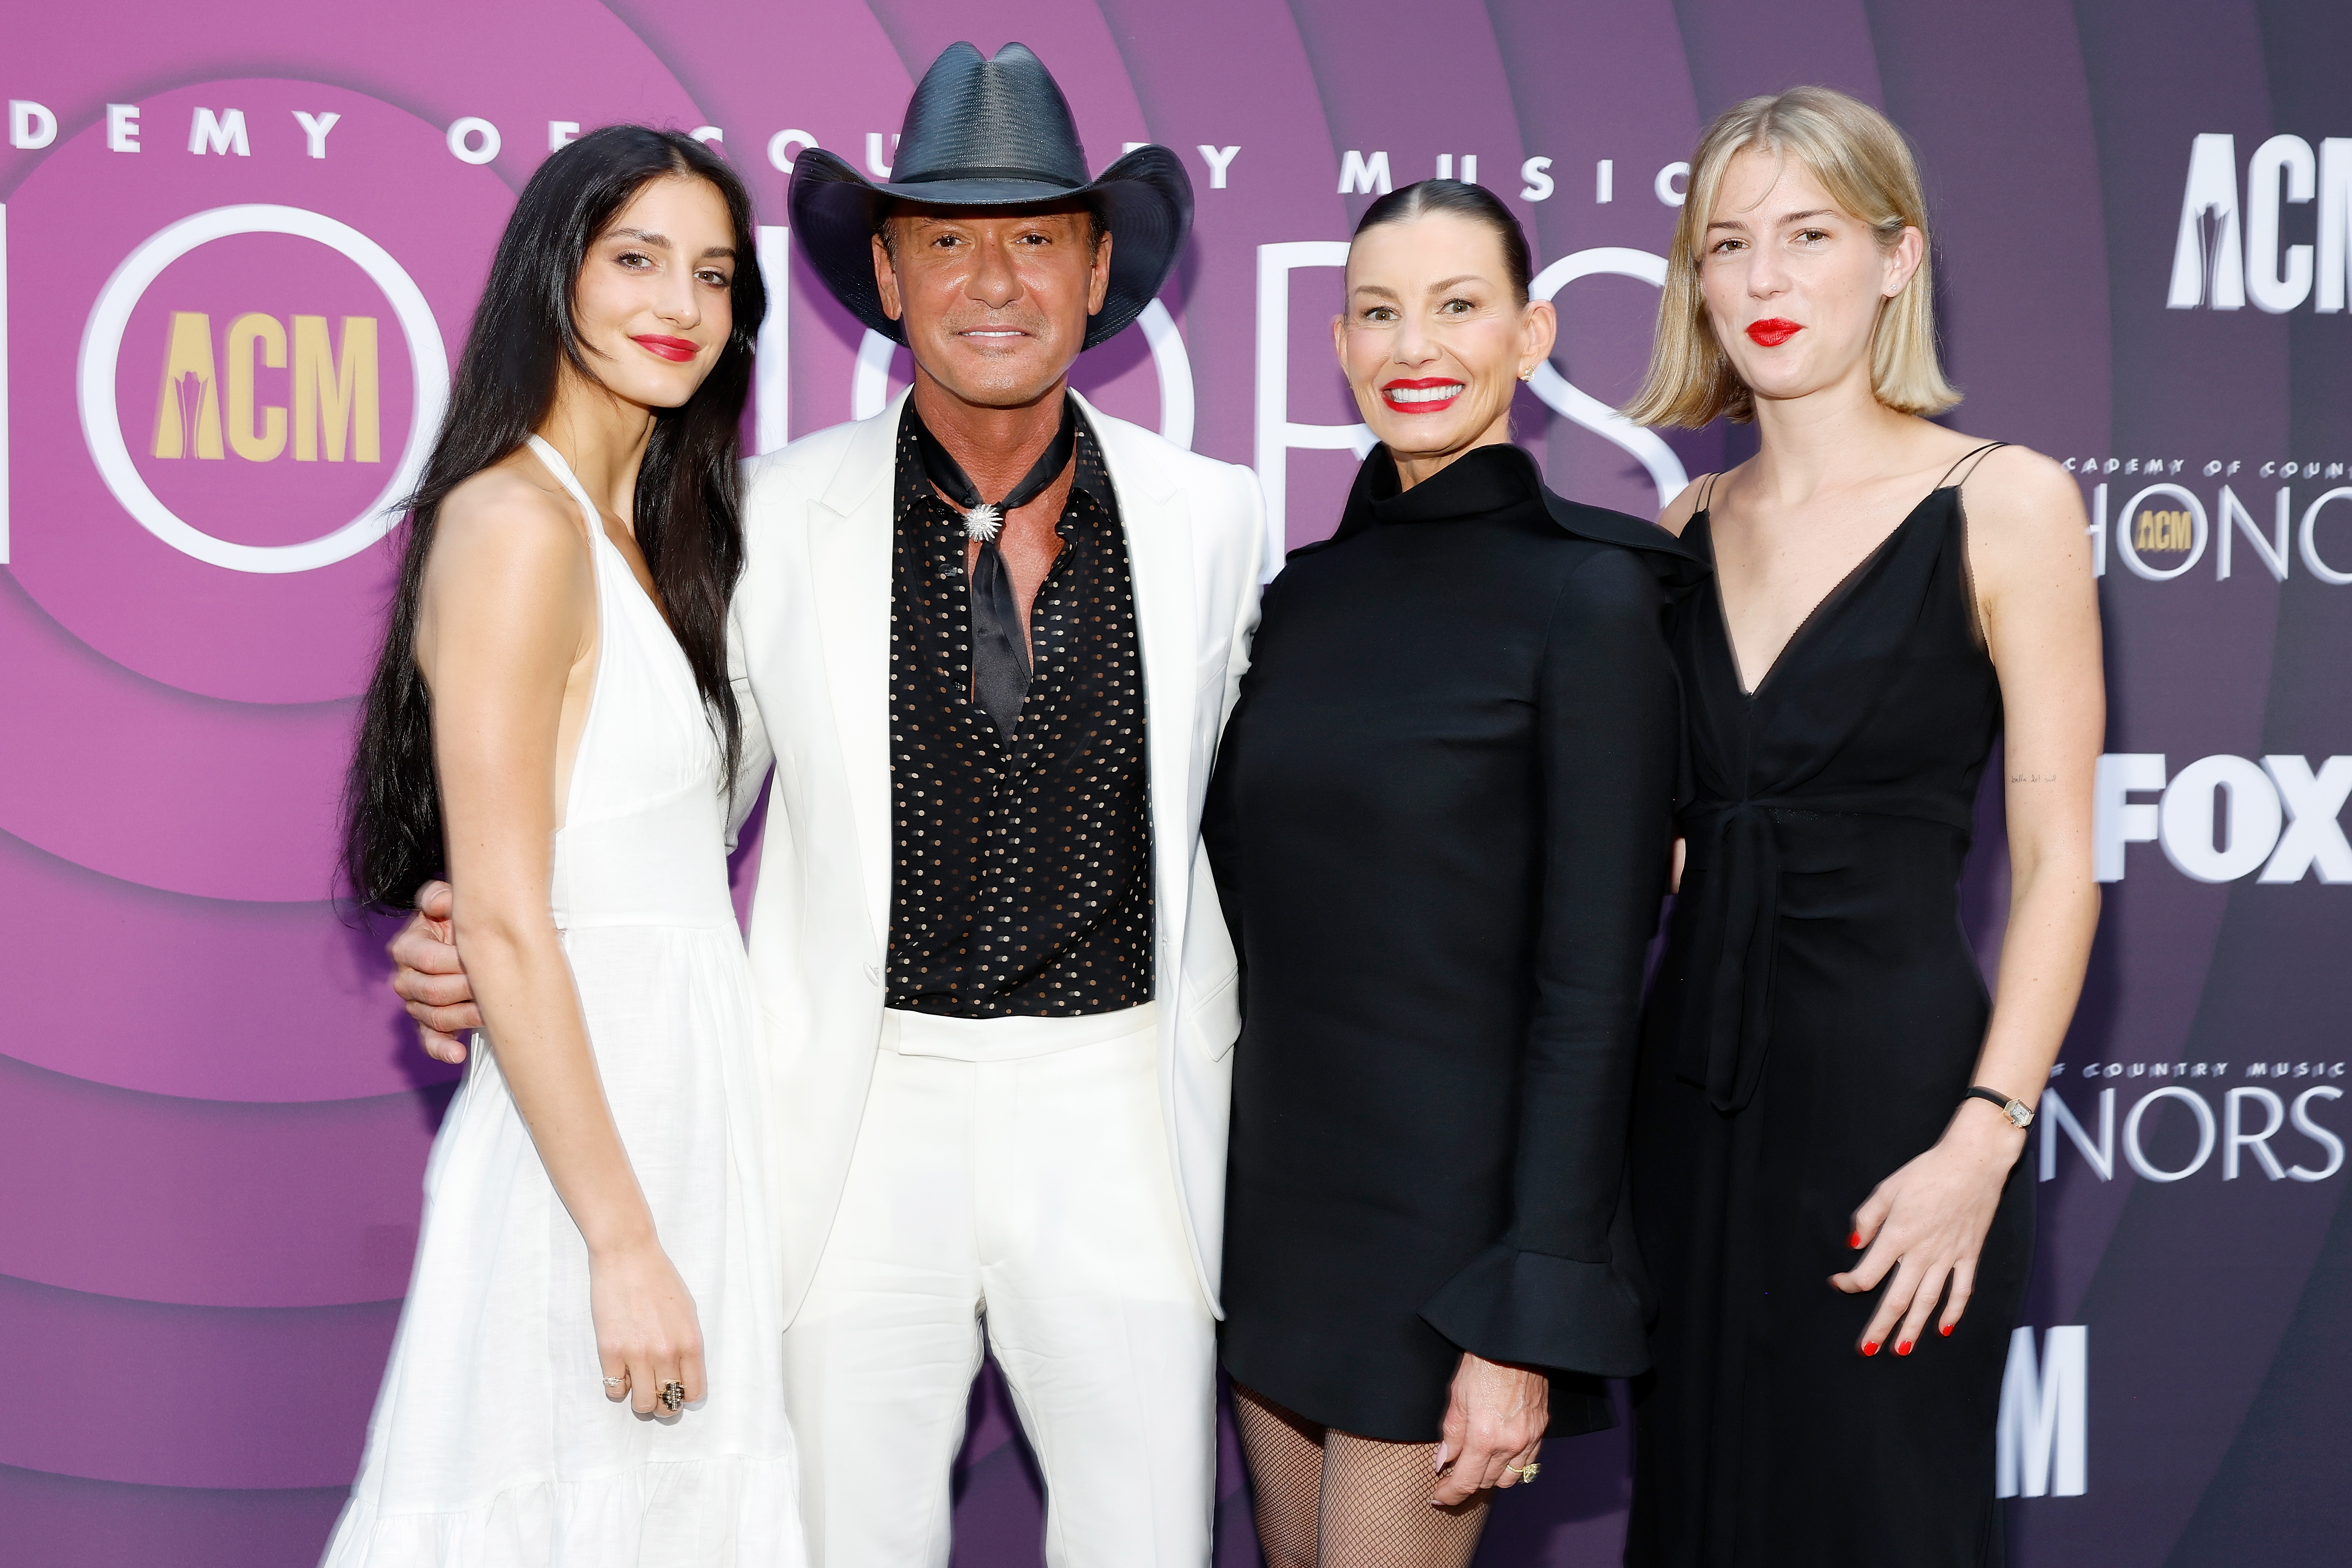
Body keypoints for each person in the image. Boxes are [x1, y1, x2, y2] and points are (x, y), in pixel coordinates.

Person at [386, 43, 1263, 1568]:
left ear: (1097, 263)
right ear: (886, 272)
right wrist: (473, 927)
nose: (992, 278)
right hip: (851, 1125)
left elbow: (1286, 809)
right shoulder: (766, 514)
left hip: (1127, 1112)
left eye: (1035, 235)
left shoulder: (1215, 515)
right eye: (946, 238)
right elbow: (654, 796)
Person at [1620, 87, 2103, 1566]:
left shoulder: (2005, 503)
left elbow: (2059, 864)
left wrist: (1982, 1139)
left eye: (1807, 236)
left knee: (1886, 1521)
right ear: (1694, 281)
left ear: (1895, 260)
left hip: (1904, 1125)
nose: (1762, 282)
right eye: (1727, 244)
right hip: (1686, 1123)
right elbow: (1655, 865)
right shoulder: (1673, 537)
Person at [1201, 180, 1699, 1568]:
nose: (1414, 346)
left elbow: (1593, 990)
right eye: (1378, 312)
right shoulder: (1299, 597)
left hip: (1450, 1245)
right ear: (1342, 344)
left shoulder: (1592, 594)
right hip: (1276, 1212)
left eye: (1457, 307)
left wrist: (1518, 1315)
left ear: (1531, 336)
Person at [326, 127, 802, 1563]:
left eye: (714, 275)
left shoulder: (667, 533)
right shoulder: (515, 521)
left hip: (685, 1116)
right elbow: (512, 919)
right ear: (556, 272)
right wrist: (621, 1242)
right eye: (635, 259)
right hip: (584, 1156)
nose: (679, 305)